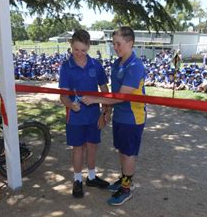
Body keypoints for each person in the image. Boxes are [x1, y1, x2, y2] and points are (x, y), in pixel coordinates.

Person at [82, 26, 146, 206]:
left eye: (118, 44)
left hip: (133, 117)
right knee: (122, 151)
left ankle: (126, 188)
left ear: (130, 43)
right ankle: (125, 179)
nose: (115, 47)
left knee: (128, 154)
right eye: (114, 44)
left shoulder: (135, 66)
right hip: (120, 116)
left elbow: (120, 96)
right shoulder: (117, 64)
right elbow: (113, 93)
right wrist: (106, 110)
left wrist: (95, 99)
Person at [58, 29, 110, 199]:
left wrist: (104, 112)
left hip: (94, 115)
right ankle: (78, 180)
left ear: (89, 46)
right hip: (75, 117)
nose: (79, 54)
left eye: (83, 50)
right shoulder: (66, 67)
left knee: (93, 146)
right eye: (76, 50)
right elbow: (63, 96)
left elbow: (104, 91)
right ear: (71, 46)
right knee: (78, 148)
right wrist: (71, 105)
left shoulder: (96, 65)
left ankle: (92, 177)